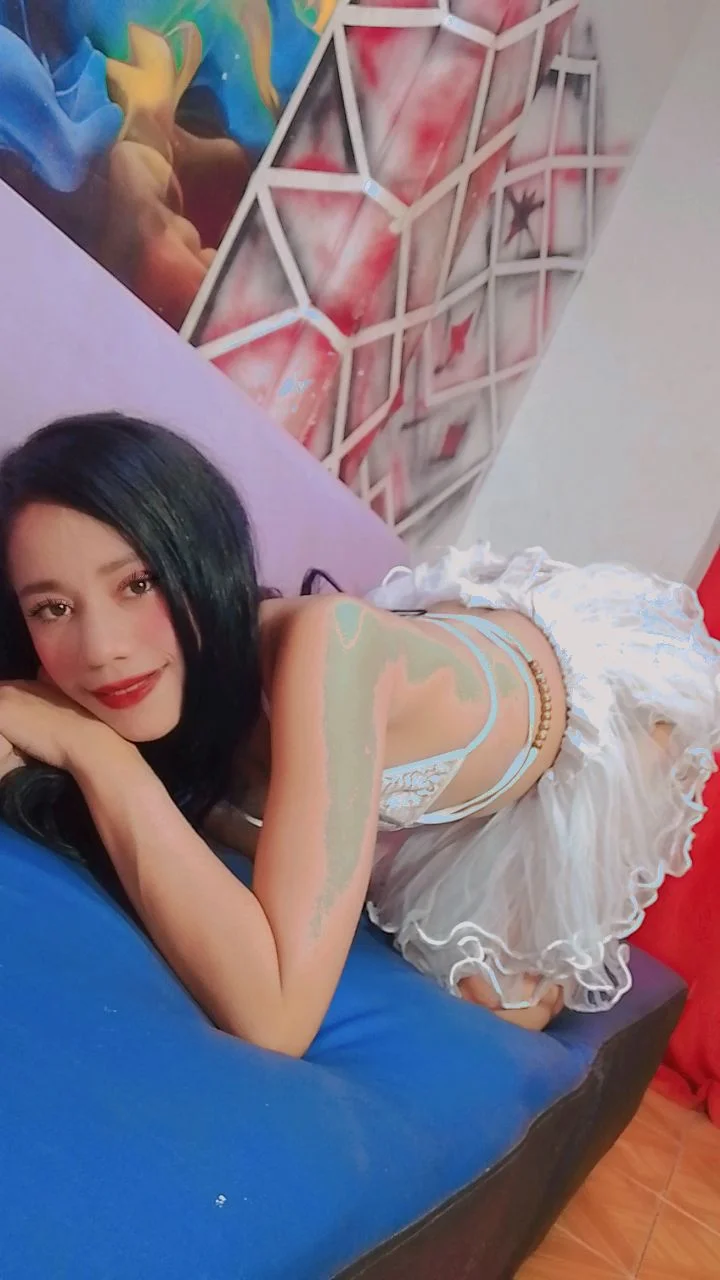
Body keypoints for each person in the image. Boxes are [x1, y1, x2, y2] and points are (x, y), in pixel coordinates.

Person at [0, 413, 718, 1055]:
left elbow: (276, 1020)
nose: (102, 649)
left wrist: (99, 753)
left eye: (138, 583)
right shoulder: (136, 679)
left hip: (590, 715)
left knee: (504, 1005)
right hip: (395, 681)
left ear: (201, 556)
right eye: (53, 608)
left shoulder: (327, 646)